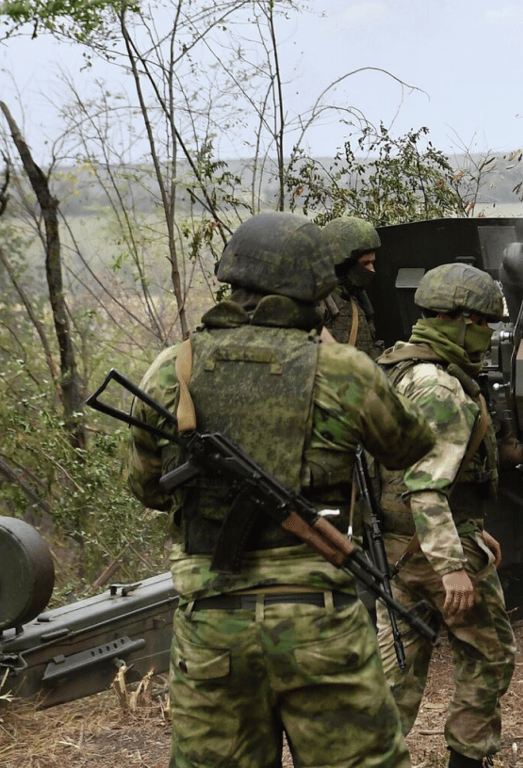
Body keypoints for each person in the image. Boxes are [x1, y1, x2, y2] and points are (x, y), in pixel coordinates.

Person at [124, 211, 435, 768]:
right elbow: (409, 446)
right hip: (320, 617)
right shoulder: (343, 370)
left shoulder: (174, 370)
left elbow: (147, 486)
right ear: (316, 290)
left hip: (211, 622)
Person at [374, 262, 516, 768]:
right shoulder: (442, 389)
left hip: (391, 551)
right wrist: (453, 563)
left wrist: (474, 532)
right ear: (459, 321)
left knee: (397, 674)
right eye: (485, 324)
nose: (489, 335)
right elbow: (427, 488)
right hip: (431, 552)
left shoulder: (396, 368)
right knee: (488, 657)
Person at [322, 215, 383, 357]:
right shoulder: (321, 304)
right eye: (365, 263)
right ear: (344, 265)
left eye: (373, 262)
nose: (372, 269)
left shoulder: (355, 299)